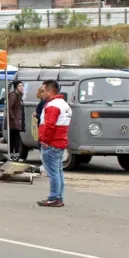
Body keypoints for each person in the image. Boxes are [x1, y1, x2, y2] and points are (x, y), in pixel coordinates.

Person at [37, 80, 71, 208]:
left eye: (43, 90)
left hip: (51, 143)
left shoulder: (52, 106)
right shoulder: (64, 104)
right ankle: (59, 196)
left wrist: (44, 140)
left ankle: (53, 198)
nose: (42, 93)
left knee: (52, 173)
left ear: (50, 91)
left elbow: (49, 125)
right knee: (58, 171)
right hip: (60, 142)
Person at [8, 80, 26, 160]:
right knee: (15, 138)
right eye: (19, 86)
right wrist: (14, 118)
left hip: (18, 121)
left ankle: (14, 154)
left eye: (22, 85)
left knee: (15, 138)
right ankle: (14, 155)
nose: (21, 87)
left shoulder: (19, 95)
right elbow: (10, 108)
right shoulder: (13, 95)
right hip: (14, 122)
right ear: (15, 87)